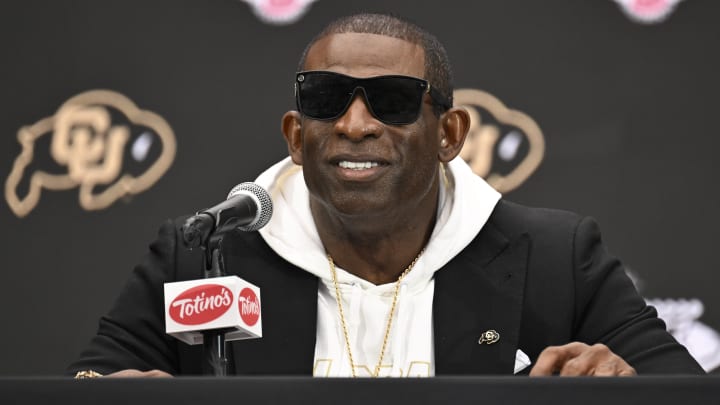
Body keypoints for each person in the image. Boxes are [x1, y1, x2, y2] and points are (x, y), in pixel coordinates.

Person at [67, 13, 703, 378]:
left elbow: (680, 391)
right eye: (324, 98)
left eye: (393, 101)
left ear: (449, 134)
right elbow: (90, 378)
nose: (354, 124)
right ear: (296, 135)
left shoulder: (555, 255)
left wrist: (624, 386)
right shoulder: (206, 251)